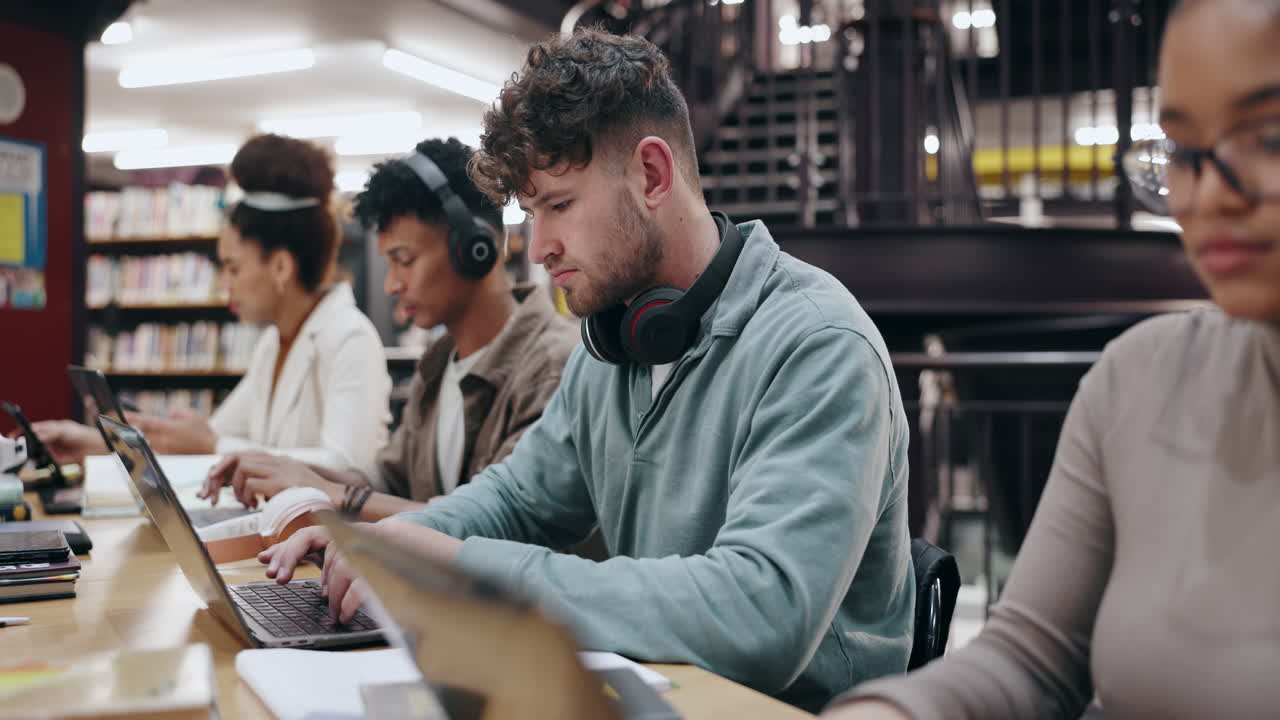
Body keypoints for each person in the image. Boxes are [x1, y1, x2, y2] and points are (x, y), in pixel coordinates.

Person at [261, 28, 914, 712]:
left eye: (560, 205)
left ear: (653, 175)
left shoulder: (818, 345)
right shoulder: (615, 337)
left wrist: (463, 566)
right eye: (529, 214)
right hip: (660, 694)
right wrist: (399, 544)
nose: (538, 248)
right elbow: (517, 500)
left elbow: (760, 613)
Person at [823, 1, 1280, 718]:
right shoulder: (1137, 380)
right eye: (1184, 153)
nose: (1207, 195)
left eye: (1270, 138)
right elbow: (1031, 661)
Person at [198, 137, 579, 520]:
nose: (390, 285)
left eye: (404, 260)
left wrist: (336, 494)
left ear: (476, 248)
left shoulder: (552, 367)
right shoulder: (440, 362)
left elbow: (496, 527)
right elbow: (389, 479)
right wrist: (295, 473)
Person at [28, 135, 391, 473]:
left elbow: (349, 468)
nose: (224, 284)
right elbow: (207, 439)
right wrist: (93, 444)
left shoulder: (350, 337)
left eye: (233, 268)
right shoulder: (274, 343)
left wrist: (215, 446)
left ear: (281, 266)